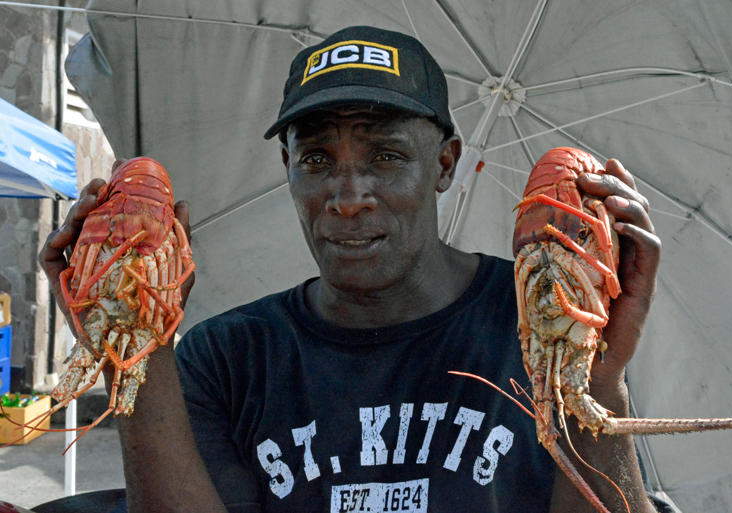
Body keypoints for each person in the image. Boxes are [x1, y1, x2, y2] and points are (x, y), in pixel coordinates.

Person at [39, 26, 663, 513]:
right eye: (314, 157)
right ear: (286, 167)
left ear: (445, 164)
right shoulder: (222, 359)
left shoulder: (543, 321)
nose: (348, 195)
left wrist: (602, 380)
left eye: (387, 155)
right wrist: (136, 358)